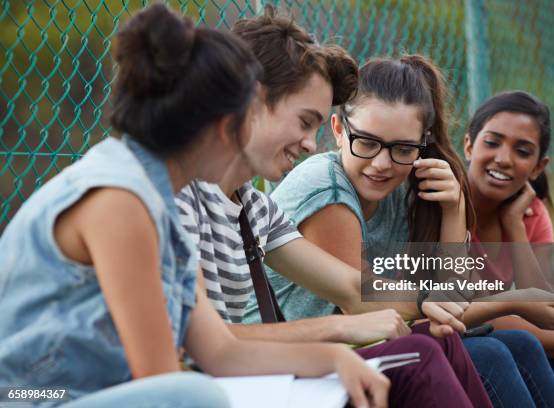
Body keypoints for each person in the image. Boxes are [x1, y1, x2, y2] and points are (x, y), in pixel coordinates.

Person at [0, 5, 390, 408]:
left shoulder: (168, 197)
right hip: (27, 397)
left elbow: (220, 351)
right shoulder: (121, 197)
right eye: (253, 116)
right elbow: (163, 381)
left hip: (88, 394)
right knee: (194, 394)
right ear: (227, 126)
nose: (309, 142)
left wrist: (333, 356)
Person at [176, 8, 492, 408]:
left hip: (254, 376)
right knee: (422, 354)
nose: (311, 143)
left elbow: (350, 287)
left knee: (433, 343)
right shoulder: (180, 195)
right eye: (305, 121)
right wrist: (338, 334)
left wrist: (428, 289)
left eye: (402, 148)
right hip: (215, 386)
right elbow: (206, 347)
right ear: (250, 102)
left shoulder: (252, 207)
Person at [251, 55, 554, 407]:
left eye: (402, 148)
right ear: (337, 129)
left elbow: (451, 296)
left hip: (360, 347)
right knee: (485, 355)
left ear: (420, 145)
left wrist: (453, 209)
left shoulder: (404, 187)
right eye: (365, 141)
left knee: (521, 345)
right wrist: (516, 301)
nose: (381, 163)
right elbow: (364, 303)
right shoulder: (328, 189)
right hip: (298, 362)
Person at [464, 90, 554, 407]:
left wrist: (514, 224)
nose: (503, 158)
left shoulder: (530, 212)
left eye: (522, 150)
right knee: (530, 345)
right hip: (459, 330)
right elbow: (475, 317)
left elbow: (541, 309)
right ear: (468, 145)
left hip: (491, 328)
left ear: (538, 166)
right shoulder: (447, 207)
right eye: (492, 142)